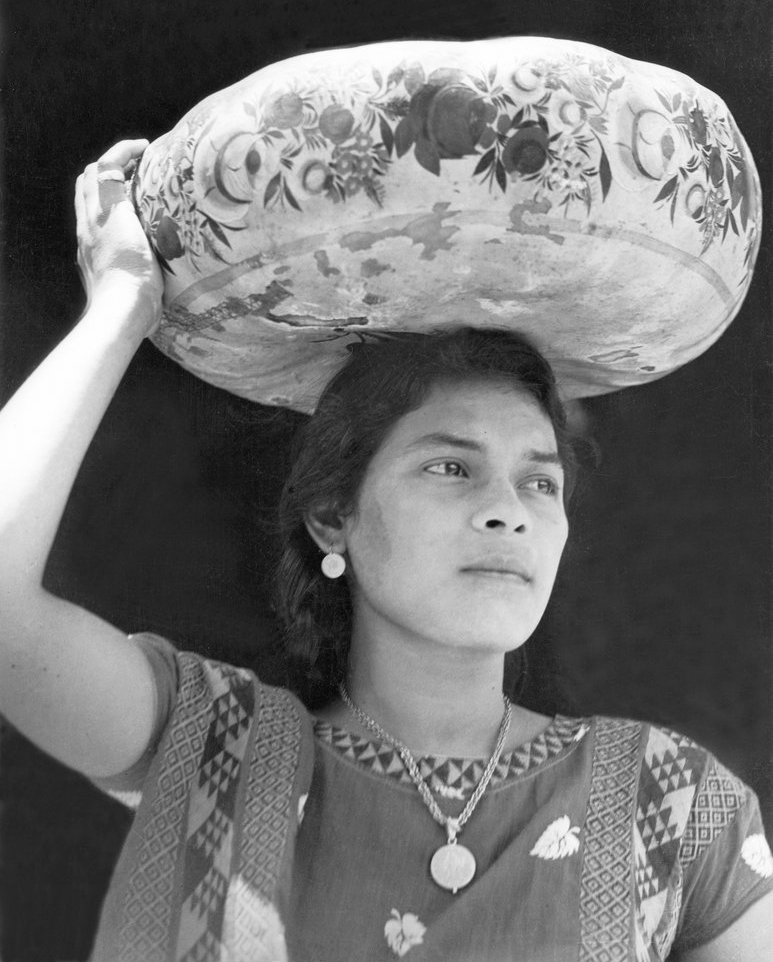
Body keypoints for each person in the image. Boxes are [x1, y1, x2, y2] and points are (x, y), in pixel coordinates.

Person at [1, 138, 771, 962]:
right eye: (450, 467)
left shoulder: (672, 804)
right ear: (333, 517)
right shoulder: (215, 754)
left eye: (539, 483)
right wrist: (120, 305)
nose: (506, 512)